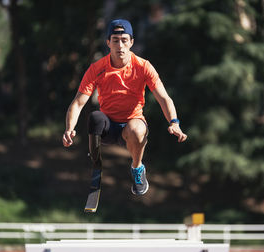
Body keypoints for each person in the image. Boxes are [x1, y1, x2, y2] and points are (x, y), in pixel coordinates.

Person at [62, 19, 187, 195]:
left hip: (131, 125)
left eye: (124, 40)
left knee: (136, 129)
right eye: (115, 40)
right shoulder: (97, 68)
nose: (120, 45)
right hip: (108, 128)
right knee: (95, 117)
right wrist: (69, 129)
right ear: (108, 43)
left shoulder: (143, 67)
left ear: (131, 42)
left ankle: (137, 168)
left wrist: (174, 122)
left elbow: (164, 98)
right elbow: (78, 102)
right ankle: (96, 163)